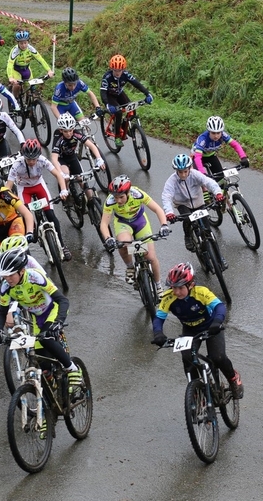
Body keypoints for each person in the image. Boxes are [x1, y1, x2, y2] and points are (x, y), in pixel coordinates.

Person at [0, 248, 83, 411]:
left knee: (46, 339)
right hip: (37, 317)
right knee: (43, 365)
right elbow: (3, 312)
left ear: (21, 271)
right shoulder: (6, 286)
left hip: (52, 310)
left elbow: (62, 300)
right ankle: (50, 410)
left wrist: (59, 322)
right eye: (4, 276)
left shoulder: (35, 277)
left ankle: (72, 369)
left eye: (10, 275)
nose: (7, 279)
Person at [151, 263, 243, 400]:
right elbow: (159, 317)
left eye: (180, 288)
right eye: (173, 287)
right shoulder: (168, 297)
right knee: (187, 359)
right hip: (190, 329)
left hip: (211, 326)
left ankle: (234, 378)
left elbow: (219, 306)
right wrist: (158, 333)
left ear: (190, 285)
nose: (176, 292)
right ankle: (196, 392)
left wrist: (217, 322)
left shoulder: (201, 292)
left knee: (218, 357)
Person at [100, 175, 171, 289]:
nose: (118, 200)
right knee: (123, 244)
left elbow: (157, 209)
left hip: (140, 221)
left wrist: (164, 225)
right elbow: (104, 223)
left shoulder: (137, 194)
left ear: (128, 192)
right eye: (115, 197)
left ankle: (158, 286)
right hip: (123, 223)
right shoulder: (110, 201)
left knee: (151, 258)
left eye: (121, 197)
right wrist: (108, 238)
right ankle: (130, 267)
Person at [5, 138, 72, 261]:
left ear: (38, 156)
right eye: (28, 159)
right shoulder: (17, 165)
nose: (31, 161)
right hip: (24, 187)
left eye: (34, 159)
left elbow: (58, 174)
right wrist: (9, 201)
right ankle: (31, 235)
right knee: (26, 216)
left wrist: (63, 190)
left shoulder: (42, 160)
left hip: (38, 185)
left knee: (51, 215)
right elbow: (8, 187)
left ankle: (62, 246)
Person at [160, 153, 224, 255]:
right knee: (187, 219)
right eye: (180, 172)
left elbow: (209, 182)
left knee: (208, 231)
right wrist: (169, 212)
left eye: (185, 171)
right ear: (176, 171)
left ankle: (220, 258)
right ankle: (188, 236)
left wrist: (218, 193)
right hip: (182, 203)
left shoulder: (195, 174)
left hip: (198, 202)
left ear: (190, 168)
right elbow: (166, 196)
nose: (183, 174)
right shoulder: (171, 181)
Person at [0, 234, 45, 319]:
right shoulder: (4, 266)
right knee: (10, 322)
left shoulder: (30, 261)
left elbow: (45, 280)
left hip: (32, 291)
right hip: (13, 294)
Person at [100, 54, 153, 148]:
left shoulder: (126, 75)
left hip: (119, 94)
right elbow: (103, 92)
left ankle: (125, 126)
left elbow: (137, 84)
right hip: (110, 96)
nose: (117, 73)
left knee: (132, 107)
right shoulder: (107, 77)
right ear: (112, 68)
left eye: (119, 70)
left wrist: (147, 94)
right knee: (119, 112)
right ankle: (117, 136)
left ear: (123, 69)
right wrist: (107, 104)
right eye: (115, 70)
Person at [50, 113, 106, 203]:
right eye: (65, 131)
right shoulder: (58, 136)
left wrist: (99, 159)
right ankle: (65, 195)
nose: (68, 133)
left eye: (70, 130)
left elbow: (91, 145)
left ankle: (93, 204)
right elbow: (54, 158)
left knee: (82, 180)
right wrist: (60, 173)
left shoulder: (76, 133)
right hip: (61, 159)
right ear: (61, 130)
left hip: (72, 157)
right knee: (66, 175)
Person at [7, 30, 53, 102]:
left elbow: (40, 59)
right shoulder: (15, 51)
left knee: (31, 89)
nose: (24, 45)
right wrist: (10, 77)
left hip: (26, 70)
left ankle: (30, 108)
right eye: (21, 43)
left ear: (28, 42)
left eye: (25, 43)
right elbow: (10, 64)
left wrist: (49, 70)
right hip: (16, 70)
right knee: (17, 85)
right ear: (18, 43)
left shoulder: (30, 48)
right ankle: (14, 100)